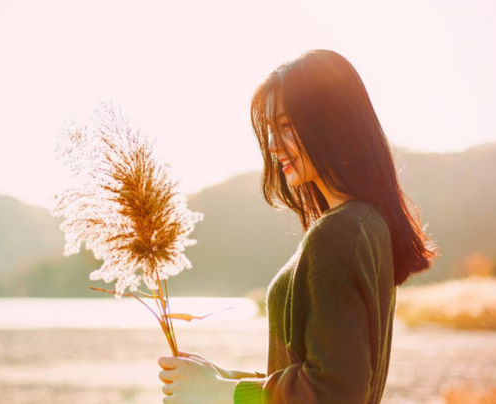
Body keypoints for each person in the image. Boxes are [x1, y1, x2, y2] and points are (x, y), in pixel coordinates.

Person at [157, 49, 438, 404]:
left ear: (333, 124)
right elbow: (317, 373)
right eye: (271, 131)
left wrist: (222, 394)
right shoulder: (367, 224)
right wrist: (223, 379)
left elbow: (334, 391)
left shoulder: (340, 233)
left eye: (286, 126)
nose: (273, 146)